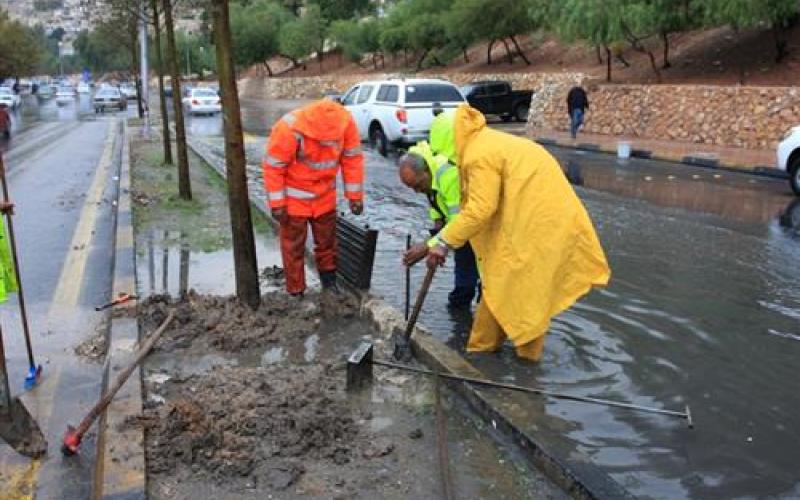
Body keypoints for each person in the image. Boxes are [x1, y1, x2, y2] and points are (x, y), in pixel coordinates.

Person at [423, 104, 610, 362]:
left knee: (520, 291)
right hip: (541, 222)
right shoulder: (488, 142)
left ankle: (511, 366)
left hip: (536, 227)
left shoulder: (479, 155)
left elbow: (480, 209)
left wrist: (442, 243)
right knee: (508, 288)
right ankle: (492, 356)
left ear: (448, 139)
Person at [262, 99, 364, 296]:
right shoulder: (289, 128)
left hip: (324, 198)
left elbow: (352, 159)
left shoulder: (346, 123)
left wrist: (355, 196)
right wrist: (277, 204)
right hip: (294, 201)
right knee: (293, 248)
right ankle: (296, 291)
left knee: (327, 244)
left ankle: (329, 284)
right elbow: (274, 167)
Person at [398, 114, 479, 309]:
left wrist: (428, 247)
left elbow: (459, 221)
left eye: (417, 185)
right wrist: (434, 246)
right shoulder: (429, 177)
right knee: (462, 287)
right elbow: (438, 212)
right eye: (412, 189)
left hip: (478, 229)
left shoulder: (448, 174)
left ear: (426, 172)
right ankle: (460, 318)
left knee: (488, 287)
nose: (417, 191)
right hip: (461, 234)